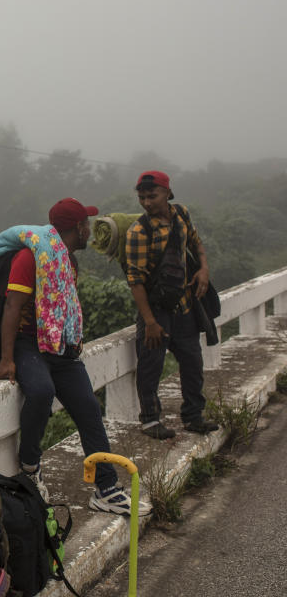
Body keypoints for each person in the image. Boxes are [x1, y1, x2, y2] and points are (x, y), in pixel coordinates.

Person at [0, 197, 151, 516]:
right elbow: (11, 307)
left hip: (61, 347)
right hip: (28, 343)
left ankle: (106, 489)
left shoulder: (69, 261)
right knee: (40, 391)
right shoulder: (29, 258)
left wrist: (73, 338)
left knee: (89, 409)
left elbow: (65, 306)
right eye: (87, 225)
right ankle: (30, 466)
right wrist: (7, 358)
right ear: (77, 227)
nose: (90, 231)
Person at [125, 170, 220, 439]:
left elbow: (195, 242)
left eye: (152, 196)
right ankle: (150, 420)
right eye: (142, 197)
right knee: (151, 364)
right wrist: (151, 322)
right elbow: (136, 281)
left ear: (167, 193)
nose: (146, 202)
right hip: (155, 310)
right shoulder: (139, 232)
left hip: (184, 306)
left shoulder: (181, 215)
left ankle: (193, 415)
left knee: (192, 361)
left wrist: (203, 269)